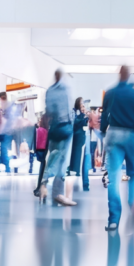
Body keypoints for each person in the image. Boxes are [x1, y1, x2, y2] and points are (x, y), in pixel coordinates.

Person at [101, 66, 134, 230]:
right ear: (128, 76)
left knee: (113, 178)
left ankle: (114, 219)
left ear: (119, 75)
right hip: (132, 135)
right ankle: (132, 204)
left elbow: (104, 116)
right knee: (133, 174)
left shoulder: (110, 93)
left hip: (114, 133)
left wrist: (103, 131)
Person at [42, 69, 76, 206]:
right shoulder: (66, 89)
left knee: (53, 157)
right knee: (62, 161)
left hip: (53, 129)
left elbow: (48, 111)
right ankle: (55, 192)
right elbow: (69, 111)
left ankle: (45, 185)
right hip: (65, 128)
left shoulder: (49, 91)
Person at [68, 97, 91, 191]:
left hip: (85, 139)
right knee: (80, 161)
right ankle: (83, 183)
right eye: (81, 104)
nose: (83, 106)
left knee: (86, 161)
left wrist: (86, 116)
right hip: (79, 140)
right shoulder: (75, 113)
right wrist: (83, 115)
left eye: (83, 104)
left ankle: (86, 184)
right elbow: (75, 123)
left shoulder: (84, 114)